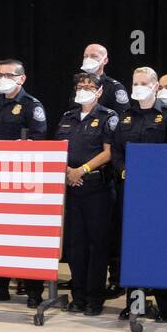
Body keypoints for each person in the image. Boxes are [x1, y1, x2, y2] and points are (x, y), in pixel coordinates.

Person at [113, 66, 167, 322]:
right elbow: (117, 153)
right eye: (135, 82)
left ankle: (166, 306)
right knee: (132, 247)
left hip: (160, 194)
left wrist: (153, 177)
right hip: (130, 192)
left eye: (143, 82)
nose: (138, 86)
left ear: (155, 86)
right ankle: (135, 303)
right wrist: (123, 171)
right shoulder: (125, 116)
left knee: (161, 246)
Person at [0, 59, 48, 308]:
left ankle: (33, 291)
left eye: (6, 74)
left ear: (21, 78)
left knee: (27, 238)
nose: (0, 78)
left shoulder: (31, 105)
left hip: (24, 183)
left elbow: (40, 141)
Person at [57, 72, 116, 316]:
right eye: (80, 85)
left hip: (96, 188)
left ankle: (94, 298)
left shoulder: (107, 117)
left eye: (90, 86)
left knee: (97, 245)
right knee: (75, 245)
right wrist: (69, 171)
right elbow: (58, 149)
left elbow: (109, 152)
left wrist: (83, 169)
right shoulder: (67, 117)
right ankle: (78, 295)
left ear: (99, 91)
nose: (84, 89)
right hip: (71, 187)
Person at [78, 44, 129, 114]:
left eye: (94, 56)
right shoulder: (79, 86)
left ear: (105, 60)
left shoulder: (114, 87)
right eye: (85, 56)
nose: (88, 59)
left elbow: (123, 117)